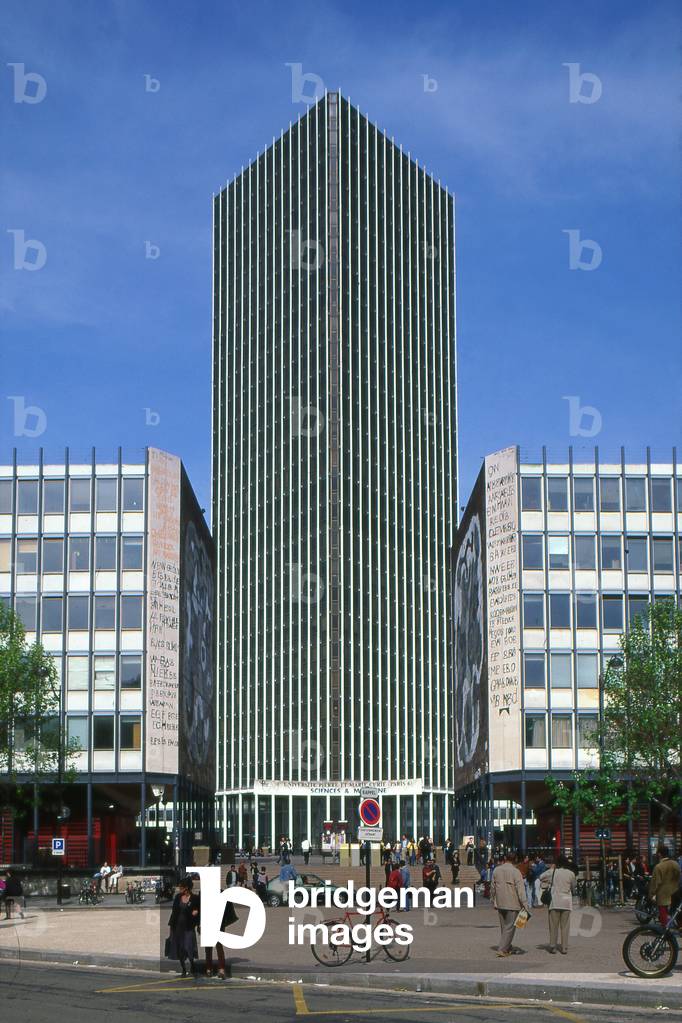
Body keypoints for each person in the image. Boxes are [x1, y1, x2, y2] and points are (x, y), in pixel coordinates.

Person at [490, 852, 529, 958]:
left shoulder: (496, 870)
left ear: (505, 858)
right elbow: (521, 890)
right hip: (512, 902)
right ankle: (502, 949)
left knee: (504, 927)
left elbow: (492, 887)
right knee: (510, 927)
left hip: (500, 902)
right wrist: (525, 904)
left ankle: (507, 946)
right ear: (515, 859)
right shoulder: (516, 872)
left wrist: (493, 899)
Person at [539, 855, 577, 955]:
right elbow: (574, 886)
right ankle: (564, 947)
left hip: (555, 901)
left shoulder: (553, 872)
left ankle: (553, 946)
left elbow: (541, 877)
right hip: (566, 902)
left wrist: (551, 869)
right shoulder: (571, 873)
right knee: (565, 926)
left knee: (553, 926)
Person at [167, 877, 199, 976]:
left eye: (181, 887)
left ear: (187, 888)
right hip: (177, 927)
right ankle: (184, 969)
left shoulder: (195, 898)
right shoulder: (178, 897)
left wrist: (196, 912)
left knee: (189, 947)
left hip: (189, 927)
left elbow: (199, 910)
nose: (179, 889)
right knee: (180, 949)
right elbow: (173, 912)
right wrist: (171, 926)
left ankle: (192, 964)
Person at [205, 897, 238, 978]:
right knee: (208, 947)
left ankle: (221, 969)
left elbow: (228, 910)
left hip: (219, 923)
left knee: (219, 946)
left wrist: (224, 922)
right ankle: (209, 968)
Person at [649, 844, 681, 927]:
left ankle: (665, 930)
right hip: (675, 891)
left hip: (663, 894)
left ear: (659, 854)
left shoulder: (658, 867)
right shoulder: (675, 864)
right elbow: (679, 877)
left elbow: (655, 883)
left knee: (663, 915)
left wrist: (652, 894)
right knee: (677, 912)